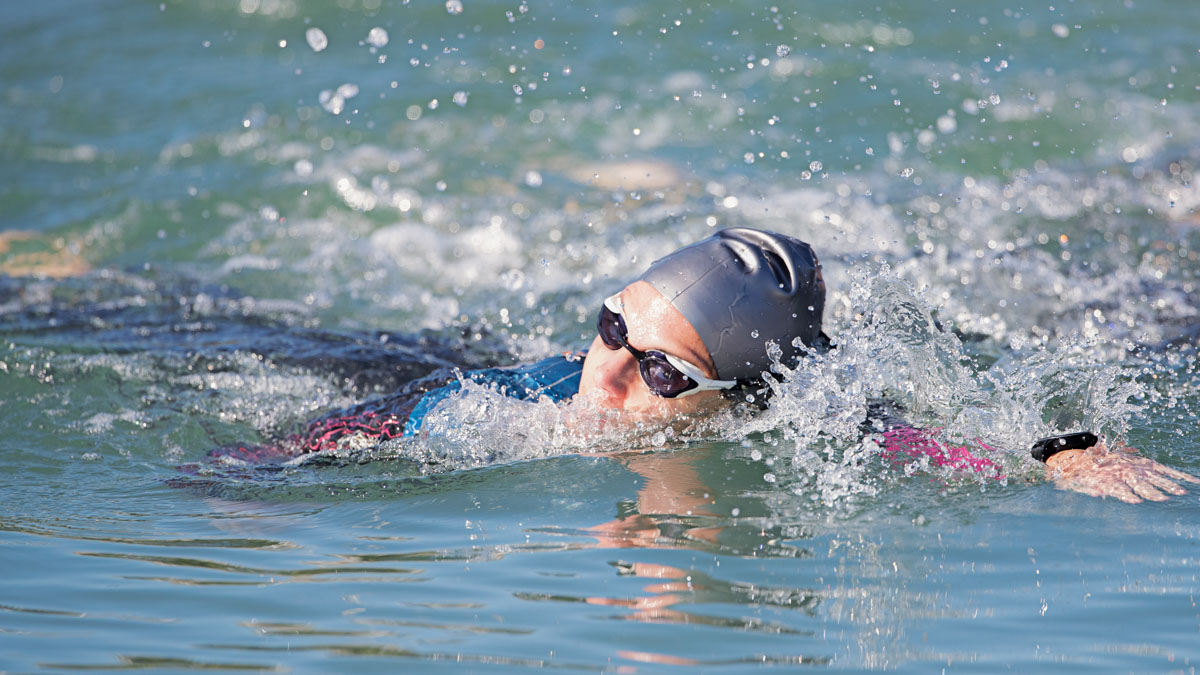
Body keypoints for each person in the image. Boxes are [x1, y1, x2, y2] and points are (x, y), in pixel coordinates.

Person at [205, 227, 1197, 503]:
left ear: (743, 399)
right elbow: (373, 418)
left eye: (665, 374)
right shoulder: (534, 394)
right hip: (422, 354)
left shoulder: (799, 417)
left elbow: (939, 442)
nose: (610, 376)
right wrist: (261, 462)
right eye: (610, 327)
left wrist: (1060, 452)